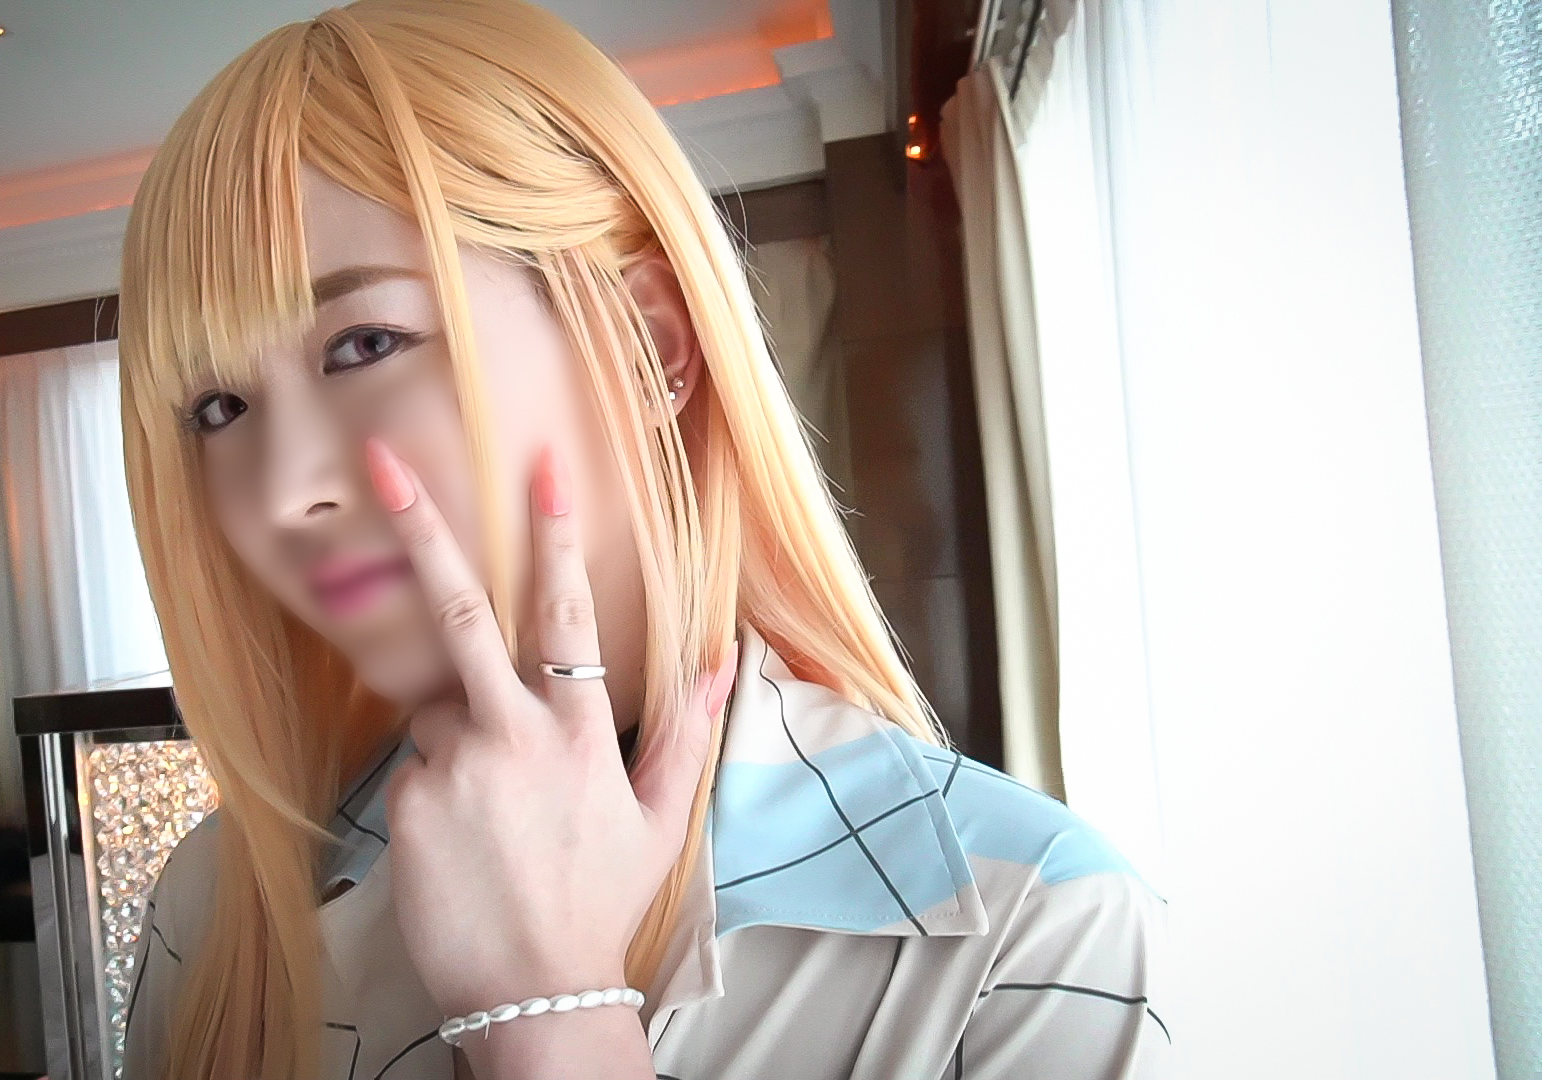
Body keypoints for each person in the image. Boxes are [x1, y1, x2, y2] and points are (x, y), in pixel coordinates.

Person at [115, 1, 1168, 1077]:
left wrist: (550, 1015)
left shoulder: (1035, 933)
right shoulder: (213, 921)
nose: (283, 492)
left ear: (644, 346)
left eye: (363, 345)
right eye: (216, 410)